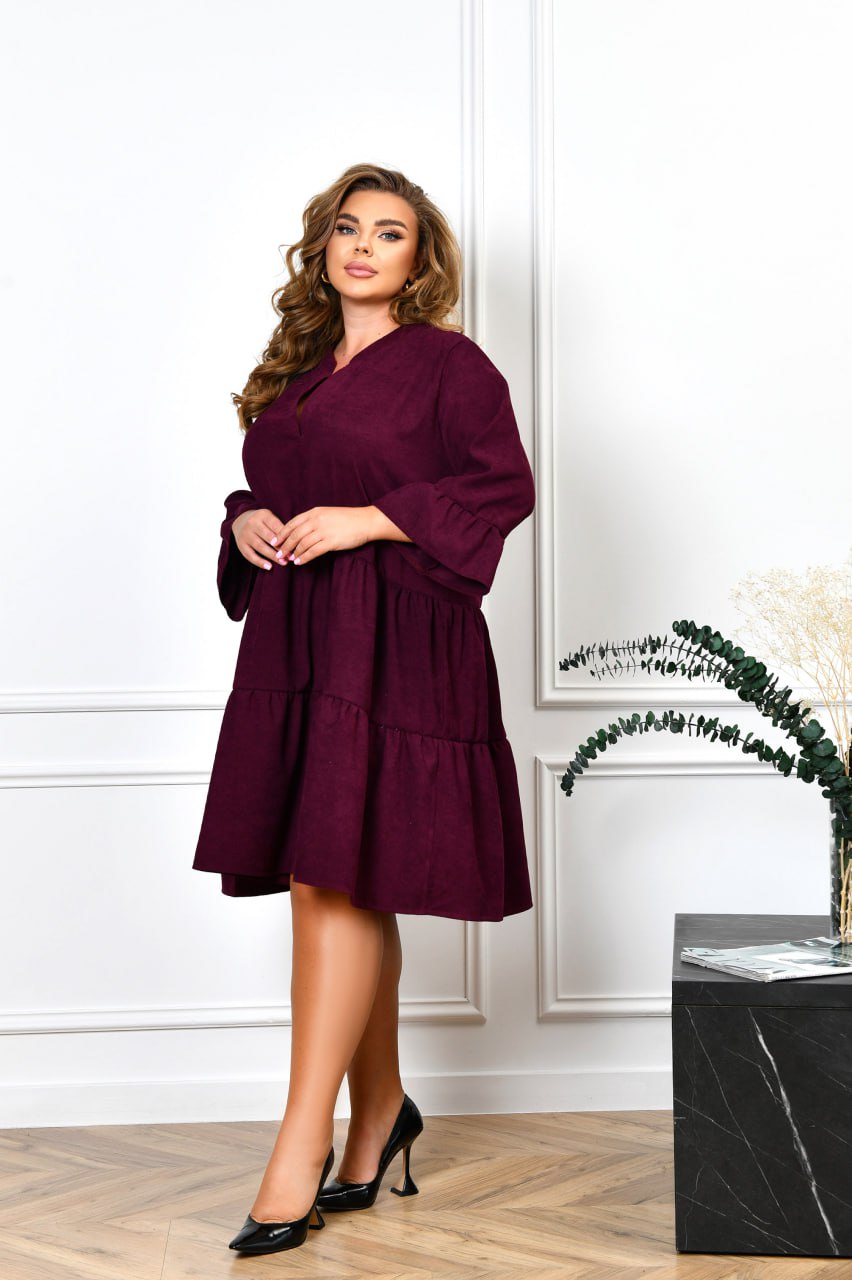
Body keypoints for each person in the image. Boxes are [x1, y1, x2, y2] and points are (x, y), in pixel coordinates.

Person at [191, 162, 536, 1256]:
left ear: (419, 260)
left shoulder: (450, 365)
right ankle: (379, 1112)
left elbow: (504, 486)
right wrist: (246, 517)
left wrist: (372, 518)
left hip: (397, 639)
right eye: (348, 227)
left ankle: (299, 1147)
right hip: (300, 635)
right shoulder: (298, 370)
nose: (362, 246)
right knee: (339, 867)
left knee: (331, 875)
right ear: (324, 245)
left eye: (389, 233)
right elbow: (277, 481)